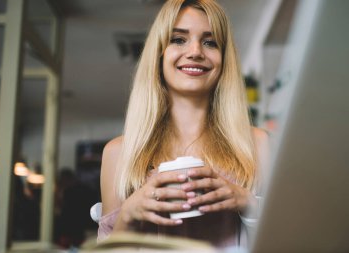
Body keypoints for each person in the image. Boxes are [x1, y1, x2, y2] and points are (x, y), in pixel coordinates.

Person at [98, 0, 269, 249]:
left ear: (224, 59)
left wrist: (247, 202)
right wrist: (129, 214)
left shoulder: (257, 144)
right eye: (178, 39)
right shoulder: (119, 153)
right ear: (160, 53)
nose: (196, 51)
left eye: (210, 42)